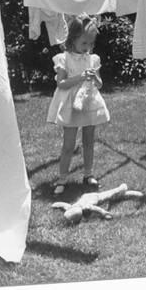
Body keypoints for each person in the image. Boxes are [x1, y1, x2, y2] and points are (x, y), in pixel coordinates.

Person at [47, 14, 110, 195]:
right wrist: (80, 77)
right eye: (84, 43)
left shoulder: (92, 59)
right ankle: (62, 178)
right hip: (71, 104)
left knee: (89, 140)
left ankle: (88, 173)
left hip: (88, 100)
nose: (88, 48)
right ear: (73, 39)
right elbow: (61, 84)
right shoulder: (64, 59)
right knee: (69, 144)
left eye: (91, 43)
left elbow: (99, 84)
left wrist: (94, 77)